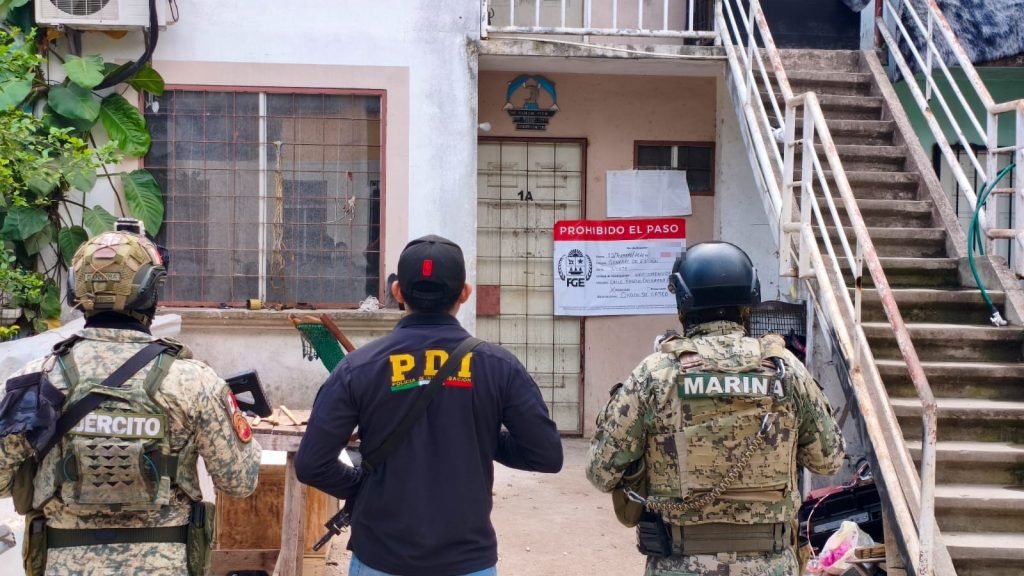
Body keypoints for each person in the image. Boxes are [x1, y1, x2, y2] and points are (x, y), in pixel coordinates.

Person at [0, 223, 261, 575]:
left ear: (77, 290)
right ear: (151, 291)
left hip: (64, 563)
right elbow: (240, 482)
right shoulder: (194, 382)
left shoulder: (35, 379)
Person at [295, 234, 564, 576]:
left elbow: (312, 463)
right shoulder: (499, 366)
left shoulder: (358, 369)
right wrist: (482, 435)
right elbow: (546, 454)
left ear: (397, 292)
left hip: (381, 557)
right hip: (467, 561)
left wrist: (364, 487)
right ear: (464, 293)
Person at [586, 241, 845, 575]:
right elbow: (828, 459)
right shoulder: (786, 370)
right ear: (748, 301)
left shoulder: (656, 374)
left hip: (680, 564)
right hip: (770, 564)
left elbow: (601, 472)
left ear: (683, 302)